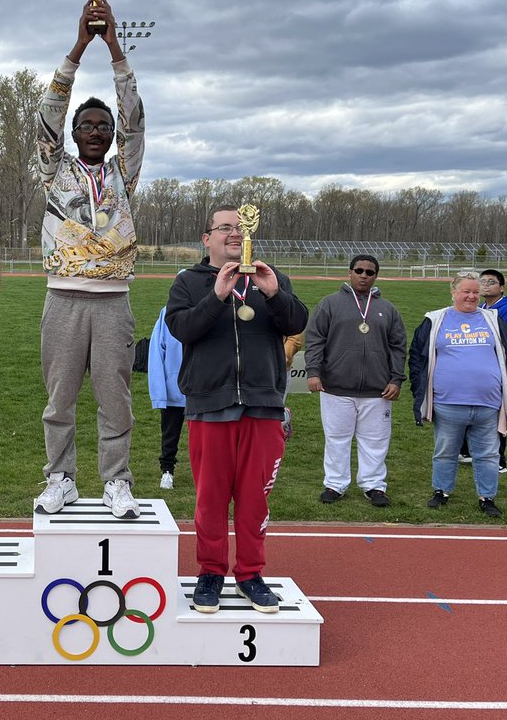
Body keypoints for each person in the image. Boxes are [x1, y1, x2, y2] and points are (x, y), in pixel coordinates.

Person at [34, 0, 146, 520]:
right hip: (63, 300)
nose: (97, 131)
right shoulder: (54, 170)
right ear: (74, 134)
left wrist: (116, 48)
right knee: (59, 400)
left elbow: (135, 120)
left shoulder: (125, 172)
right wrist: (79, 47)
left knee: (114, 399)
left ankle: (116, 482)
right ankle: (61, 478)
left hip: (112, 302)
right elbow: (48, 116)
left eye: (104, 125)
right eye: (88, 125)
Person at [165, 205, 309, 614]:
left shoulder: (271, 277)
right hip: (210, 405)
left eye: (240, 227)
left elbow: (297, 321)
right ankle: (210, 572)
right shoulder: (189, 282)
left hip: (263, 405)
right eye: (224, 227)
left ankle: (250, 573)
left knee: (254, 500)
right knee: (210, 500)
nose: (233, 233)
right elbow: (182, 329)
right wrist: (216, 297)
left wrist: (274, 293)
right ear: (207, 238)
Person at [409, 271, 507, 518]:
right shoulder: (435, 320)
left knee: (488, 454)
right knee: (445, 452)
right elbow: (417, 357)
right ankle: (441, 491)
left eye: (475, 292)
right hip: (447, 403)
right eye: (466, 291)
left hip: (488, 404)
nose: (471, 296)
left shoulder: (493, 319)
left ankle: (487, 497)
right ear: (453, 292)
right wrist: (419, 391)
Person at [305, 255, 407, 508]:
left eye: (369, 272)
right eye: (359, 270)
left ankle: (374, 485)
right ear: (349, 272)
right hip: (335, 387)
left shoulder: (388, 309)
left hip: (377, 389)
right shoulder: (329, 304)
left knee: (375, 441)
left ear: (376, 276)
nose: (363, 275)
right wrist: (313, 372)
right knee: (336, 438)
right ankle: (335, 484)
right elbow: (315, 340)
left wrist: (396, 379)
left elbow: (398, 347)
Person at [464, 268, 507, 472]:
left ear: (502, 287)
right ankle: (468, 450)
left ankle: (498, 459)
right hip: (478, 366)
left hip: (497, 366)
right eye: (483, 282)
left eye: (491, 282)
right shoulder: (480, 307)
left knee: (497, 412)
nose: (486, 285)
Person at [147, 304, 184, 490]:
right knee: (170, 433)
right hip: (174, 389)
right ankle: (167, 471)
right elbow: (157, 351)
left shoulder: (212, 308)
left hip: (204, 389)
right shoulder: (168, 312)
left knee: (208, 436)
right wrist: (159, 393)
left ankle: (210, 472)